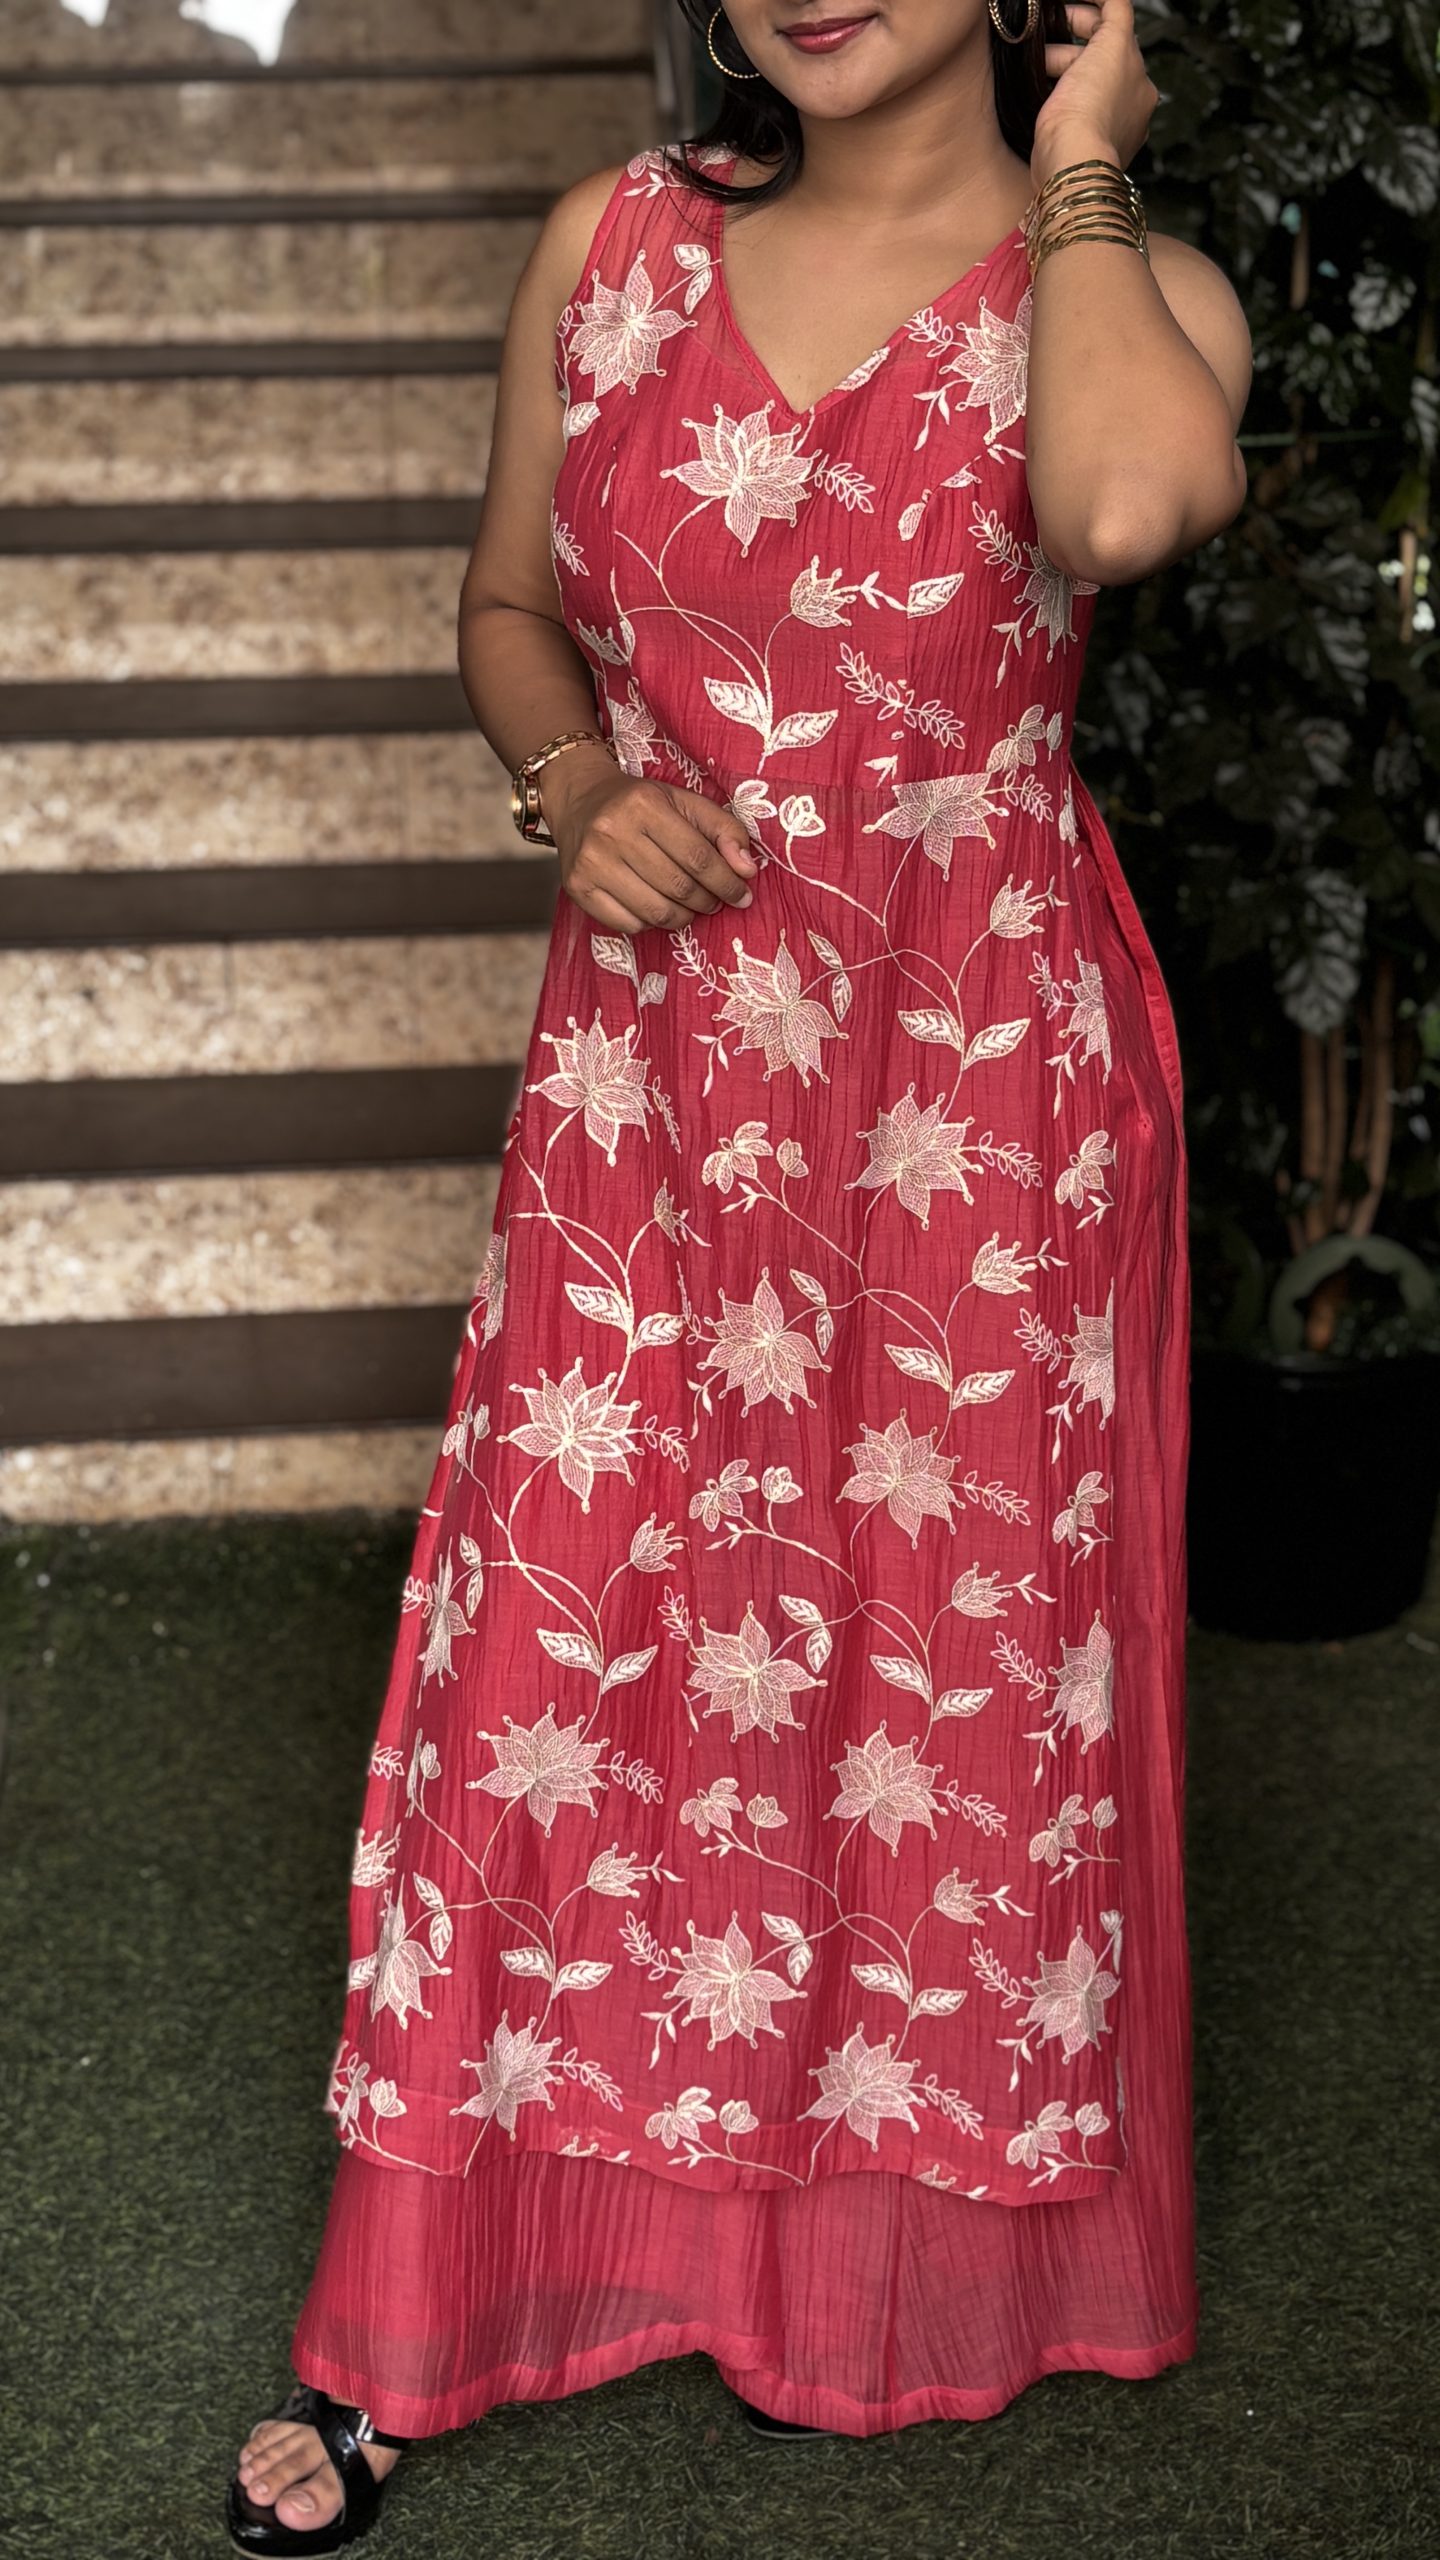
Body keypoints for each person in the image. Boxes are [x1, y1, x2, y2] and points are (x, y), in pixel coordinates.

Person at [227, 2, 1251, 2547]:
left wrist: (1085, 152)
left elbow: (1123, 504)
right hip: (659, 1070)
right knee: (558, 1642)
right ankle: (430, 2292)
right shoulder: (611, 245)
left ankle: (872, 2264)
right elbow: (505, 607)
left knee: (935, 1668)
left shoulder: (1126, 287)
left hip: (974, 1081)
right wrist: (574, 785)